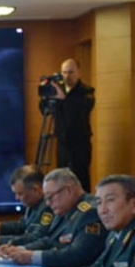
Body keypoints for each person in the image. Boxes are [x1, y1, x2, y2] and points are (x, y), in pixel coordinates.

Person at [0, 168, 105, 267]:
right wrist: (22, 249)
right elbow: (50, 240)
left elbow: (78, 255)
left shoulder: (90, 212)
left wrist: (32, 257)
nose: (48, 203)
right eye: (46, 199)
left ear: (67, 191)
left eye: (50, 197)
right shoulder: (64, 209)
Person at [0, 165, 54, 248]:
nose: (16, 198)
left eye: (20, 194)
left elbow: (36, 237)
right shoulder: (33, 204)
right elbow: (21, 226)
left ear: (35, 189)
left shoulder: (50, 207)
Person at [51, 59, 95, 192]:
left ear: (78, 72)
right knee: (61, 179)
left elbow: (80, 109)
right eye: (64, 73)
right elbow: (46, 110)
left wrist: (64, 99)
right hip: (62, 143)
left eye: (70, 72)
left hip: (79, 143)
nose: (67, 76)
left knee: (80, 178)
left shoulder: (86, 91)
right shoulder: (58, 91)